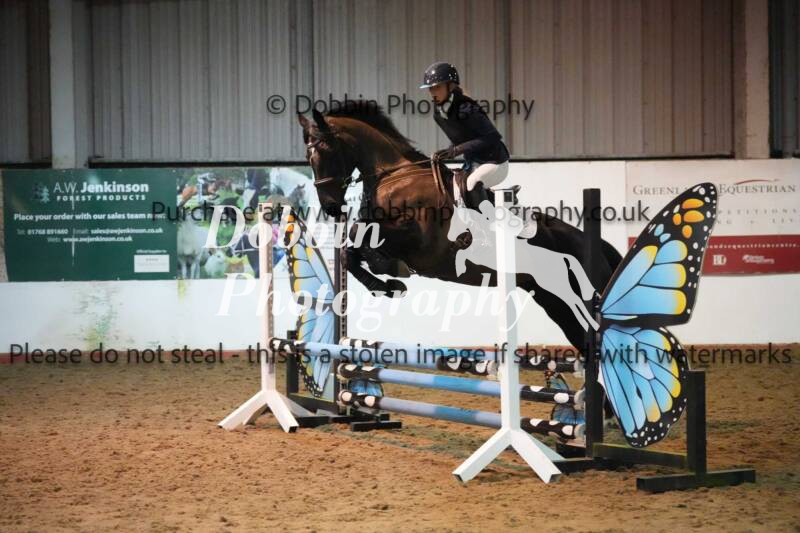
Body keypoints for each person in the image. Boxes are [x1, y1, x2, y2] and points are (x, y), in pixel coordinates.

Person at [421, 61, 510, 210]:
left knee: (472, 183)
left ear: (450, 86)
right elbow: (460, 139)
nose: (433, 92)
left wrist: (458, 150)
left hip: (495, 162)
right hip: (474, 163)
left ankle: (487, 220)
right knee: (456, 189)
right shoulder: (438, 115)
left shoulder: (467, 108)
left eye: (437, 87)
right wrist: (448, 151)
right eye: (430, 88)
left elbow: (492, 137)